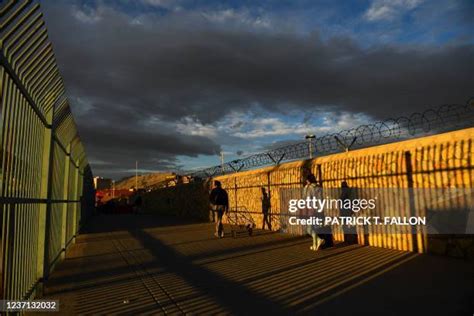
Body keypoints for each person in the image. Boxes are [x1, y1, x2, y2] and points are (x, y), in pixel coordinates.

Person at [304, 174, 325, 251]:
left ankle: (319, 240)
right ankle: (315, 245)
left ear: (309, 180)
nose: (306, 181)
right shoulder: (319, 187)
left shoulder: (309, 188)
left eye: (307, 180)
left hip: (312, 210)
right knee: (315, 228)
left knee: (309, 229)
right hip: (320, 210)